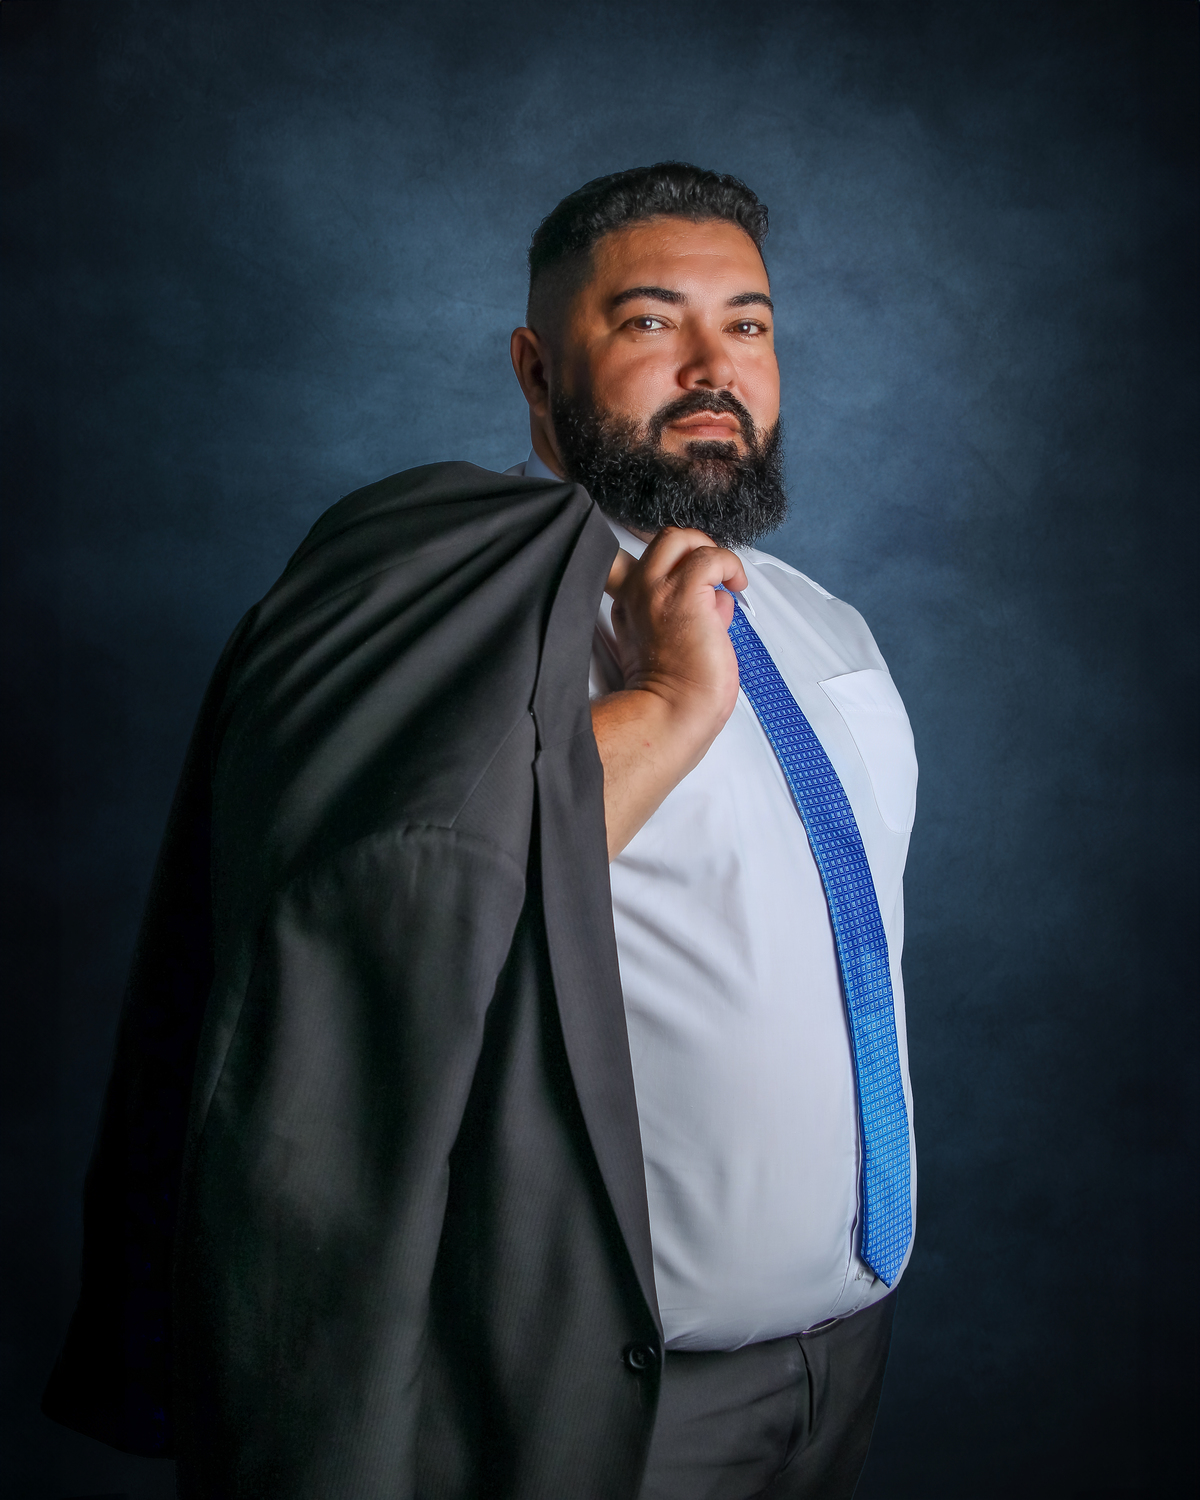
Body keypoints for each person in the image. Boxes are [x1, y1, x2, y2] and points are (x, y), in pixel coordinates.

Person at [45, 163, 918, 1500]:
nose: (713, 367)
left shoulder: (824, 624)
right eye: (650, 320)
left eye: (747, 323)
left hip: (839, 1371)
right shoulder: (439, 595)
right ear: (536, 367)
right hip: (599, 1409)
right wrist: (670, 705)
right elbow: (394, 910)